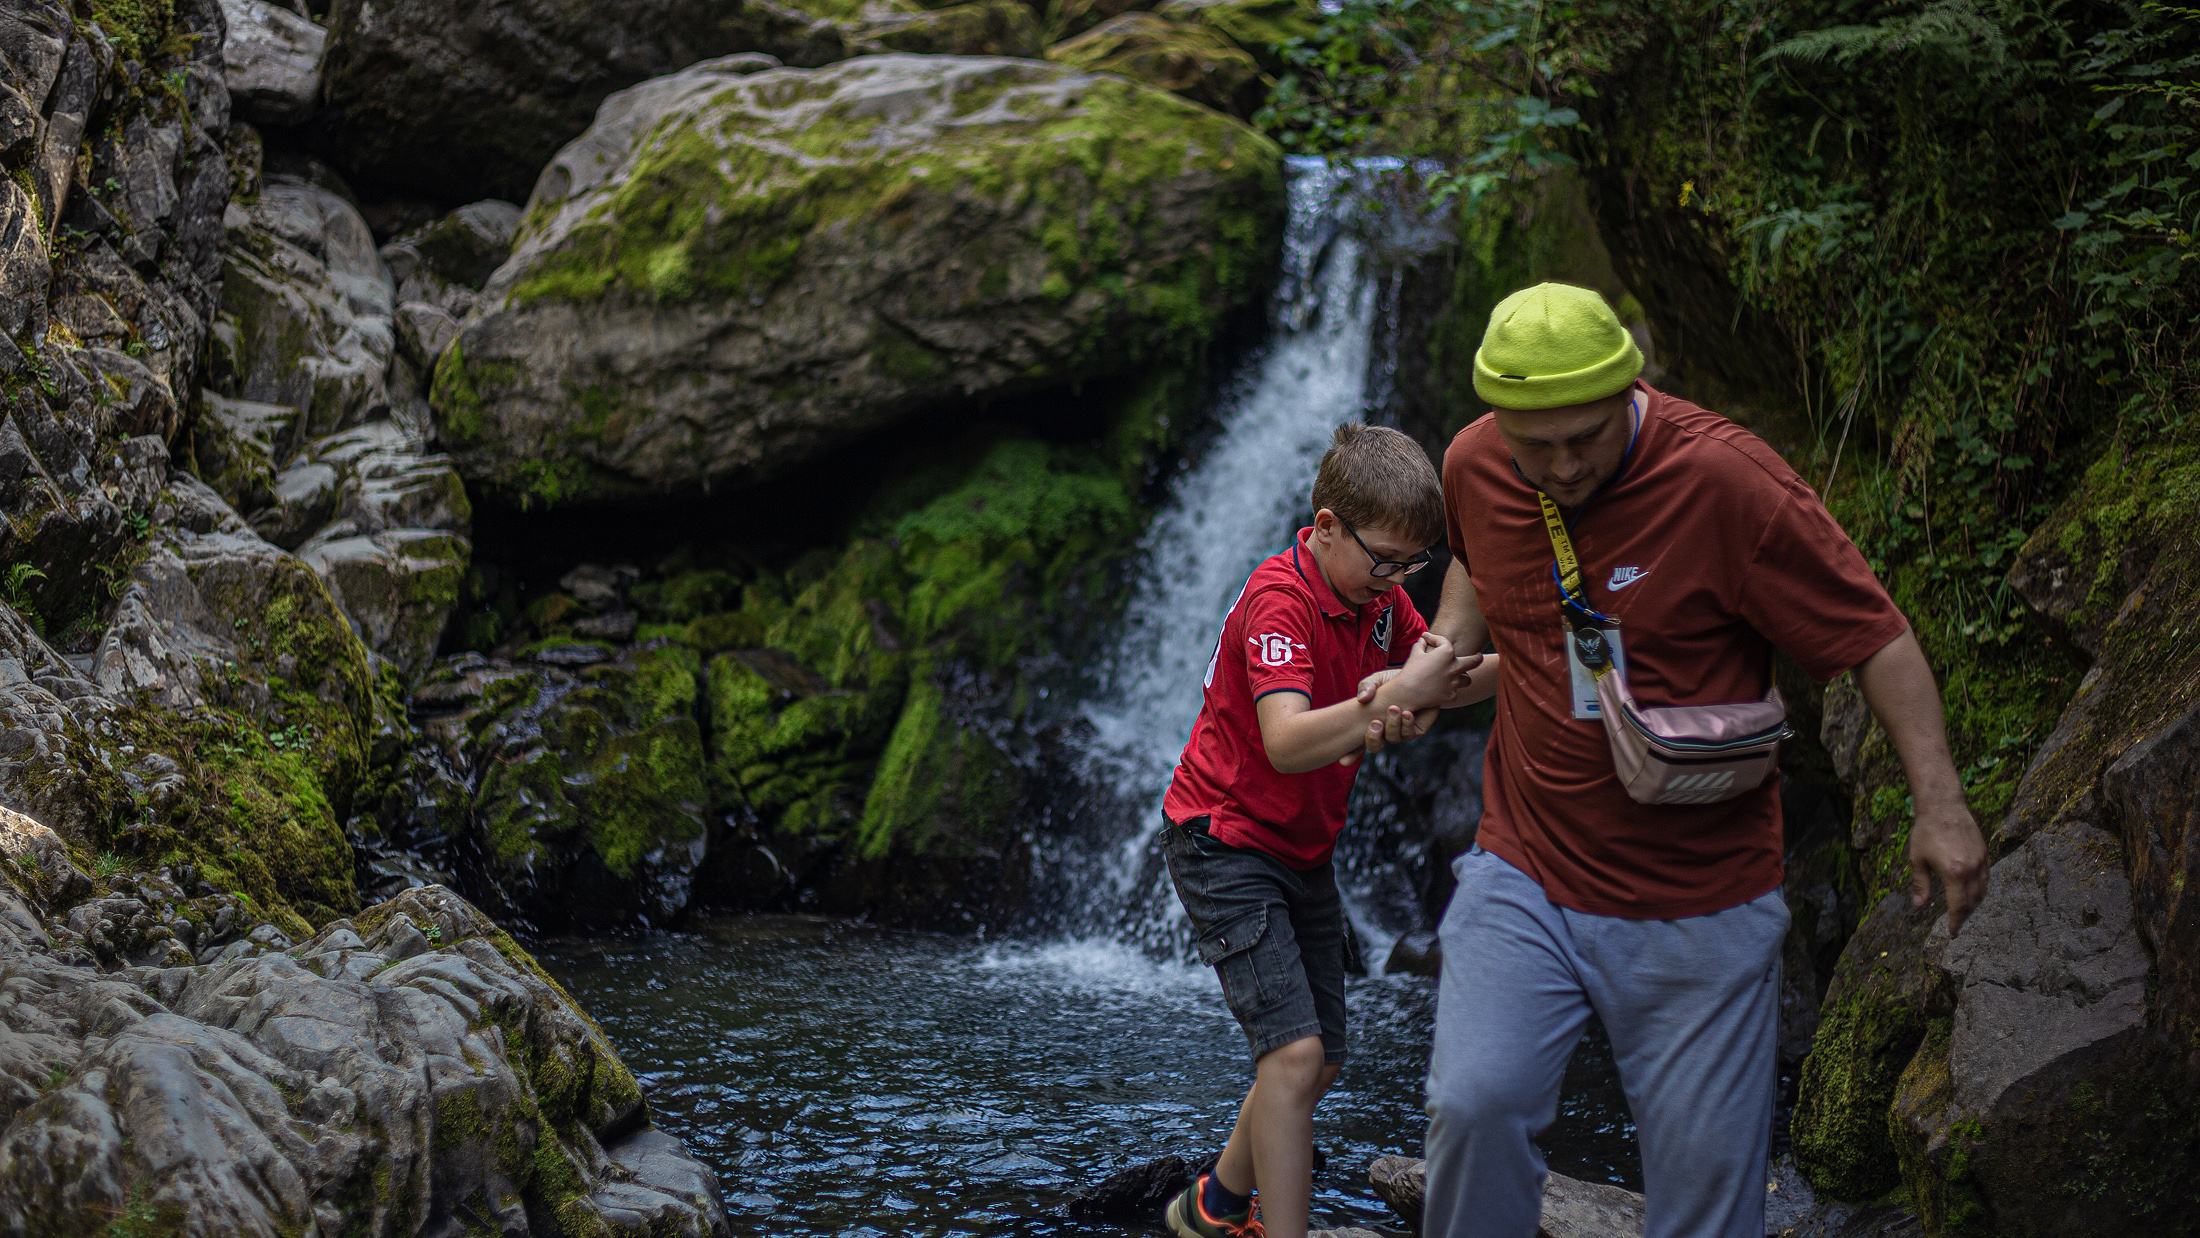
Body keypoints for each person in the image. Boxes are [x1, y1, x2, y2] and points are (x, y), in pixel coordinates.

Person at [1407, 283, 1989, 1238]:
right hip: (1527, 868)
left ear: (1630, 392)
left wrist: (1941, 804)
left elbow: (1875, 638)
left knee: (1706, 1200)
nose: (1560, 467)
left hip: (1701, 897)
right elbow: (1474, 556)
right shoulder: (1474, 461)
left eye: (1585, 438)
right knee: (1473, 1106)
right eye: (1534, 445)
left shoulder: (1729, 482)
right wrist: (1441, 650)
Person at [1160, 424, 1497, 1238]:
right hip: (1222, 842)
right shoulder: (1281, 599)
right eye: (1384, 559)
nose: (1397, 578)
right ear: (1326, 527)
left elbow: (1439, 679)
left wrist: (1538, 663)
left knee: (1323, 1058)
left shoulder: (1378, 598)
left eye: (1414, 564)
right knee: (1295, 1057)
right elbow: (1287, 739)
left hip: (1301, 851)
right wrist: (1380, 705)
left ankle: (1212, 1204)